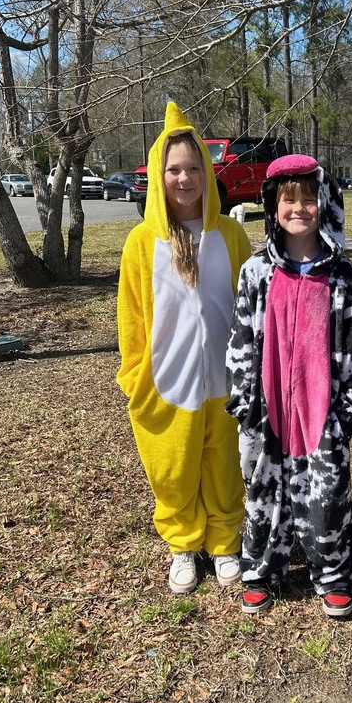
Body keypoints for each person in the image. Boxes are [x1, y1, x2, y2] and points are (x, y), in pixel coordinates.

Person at [225, 153, 352, 618]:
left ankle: (332, 574)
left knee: (326, 495)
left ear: (325, 203)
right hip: (266, 411)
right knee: (263, 491)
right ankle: (261, 570)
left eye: (309, 200)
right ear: (272, 206)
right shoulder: (256, 273)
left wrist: (349, 410)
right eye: (289, 201)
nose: (299, 210)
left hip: (322, 410)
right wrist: (245, 402)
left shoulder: (342, 278)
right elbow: (241, 337)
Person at [117, 103, 251, 595]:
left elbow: (249, 304)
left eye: (194, 168)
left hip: (226, 376)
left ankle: (223, 543)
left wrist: (251, 369)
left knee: (224, 464)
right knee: (173, 468)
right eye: (174, 169)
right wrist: (135, 376)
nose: (184, 178)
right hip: (166, 380)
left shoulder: (230, 234)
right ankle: (183, 544)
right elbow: (130, 319)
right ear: (159, 174)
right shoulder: (141, 242)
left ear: (207, 173)